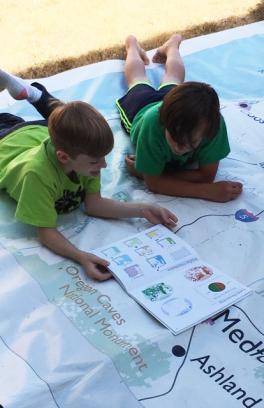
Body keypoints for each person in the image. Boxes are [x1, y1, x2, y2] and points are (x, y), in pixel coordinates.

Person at [0, 69, 177, 281]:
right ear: (64, 158)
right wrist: (81, 257)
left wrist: (143, 209)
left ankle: (33, 93)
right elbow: (46, 232)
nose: (103, 165)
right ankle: (34, 94)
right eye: (95, 161)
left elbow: (94, 204)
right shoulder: (36, 176)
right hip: (6, 142)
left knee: (68, 120)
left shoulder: (86, 158)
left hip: (35, 132)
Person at [116, 34, 243, 202]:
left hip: (178, 104)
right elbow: (153, 183)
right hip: (142, 108)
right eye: (173, 137)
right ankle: (132, 45)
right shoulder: (152, 124)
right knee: (137, 79)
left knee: (174, 78)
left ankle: (172, 46)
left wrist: (151, 172)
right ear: (164, 123)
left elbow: (206, 176)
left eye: (189, 142)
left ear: (206, 132)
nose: (179, 147)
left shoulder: (213, 125)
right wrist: (207, 191)